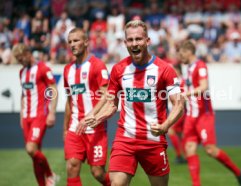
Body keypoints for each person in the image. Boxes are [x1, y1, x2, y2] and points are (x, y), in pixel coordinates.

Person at [84, 20, 184, 186]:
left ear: (147, 41)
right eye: (130, 40)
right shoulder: (118, 69)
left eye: (138, 39)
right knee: (116, 184)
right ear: (125, 43)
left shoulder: (165, 69)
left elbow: (179, 104)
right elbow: (111, 104)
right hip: (126, 138)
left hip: (153, 139)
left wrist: (165, 125)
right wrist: (99, 117)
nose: (134, 43)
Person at [178, 40, 241, 186]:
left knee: (210, 150)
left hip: (204, 115)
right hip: (191, 116)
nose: (180, 56)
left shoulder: (200, 66)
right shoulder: (188, 70)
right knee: (189, 148)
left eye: (181, 53)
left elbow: (203, 87)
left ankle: (238, 173)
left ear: (189, 52)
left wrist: (187, 94)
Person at [63, 28, 110, 186]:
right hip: (75, 128)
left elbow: (107, 95)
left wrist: (90, 116)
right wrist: (65, 128)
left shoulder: (97, 65)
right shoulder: (67, 70)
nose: (72, 44)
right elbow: (70, 101)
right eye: (70, 42)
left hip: (95, 128)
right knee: (72, 166)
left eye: (76, 40)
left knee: (97, 173)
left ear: (86, 42)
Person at [12, 43, 59, 186]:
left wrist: (52, 112)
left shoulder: (43, 68)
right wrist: (21, 115)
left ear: (27, 53)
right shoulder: (22, 72)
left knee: (30, 149)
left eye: (21, 58)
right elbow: (23, 94)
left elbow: (53, 89)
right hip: (26, 117)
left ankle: (51, 175)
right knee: (35, 155)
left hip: (40, 115)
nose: (20, 62)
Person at [167, 64, 186, 164]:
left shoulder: (181, 81)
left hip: (179, 110)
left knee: (171, 131)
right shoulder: (176, 81)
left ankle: (179, 155)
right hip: (177, 109)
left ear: (178, 71)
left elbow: (183, 96)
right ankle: (185, 155)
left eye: (175, 70)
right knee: (179, 134)